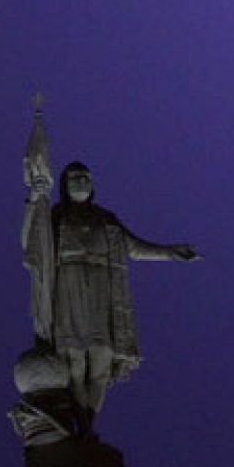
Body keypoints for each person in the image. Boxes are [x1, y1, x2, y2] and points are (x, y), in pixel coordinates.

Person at [27, 161, 198, 438]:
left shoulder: (106, 220)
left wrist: (171, 252)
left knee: (102, 360)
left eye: (85, 177)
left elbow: (136, 248)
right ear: (64, 184)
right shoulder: (55, 216)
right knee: (75, 362)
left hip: (101, 289)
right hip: (68, 288)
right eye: (74, 177)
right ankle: (82, 425)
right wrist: (35, 200)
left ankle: (88, 423)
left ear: (93, 184)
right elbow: (31, 243)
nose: (81, 181)